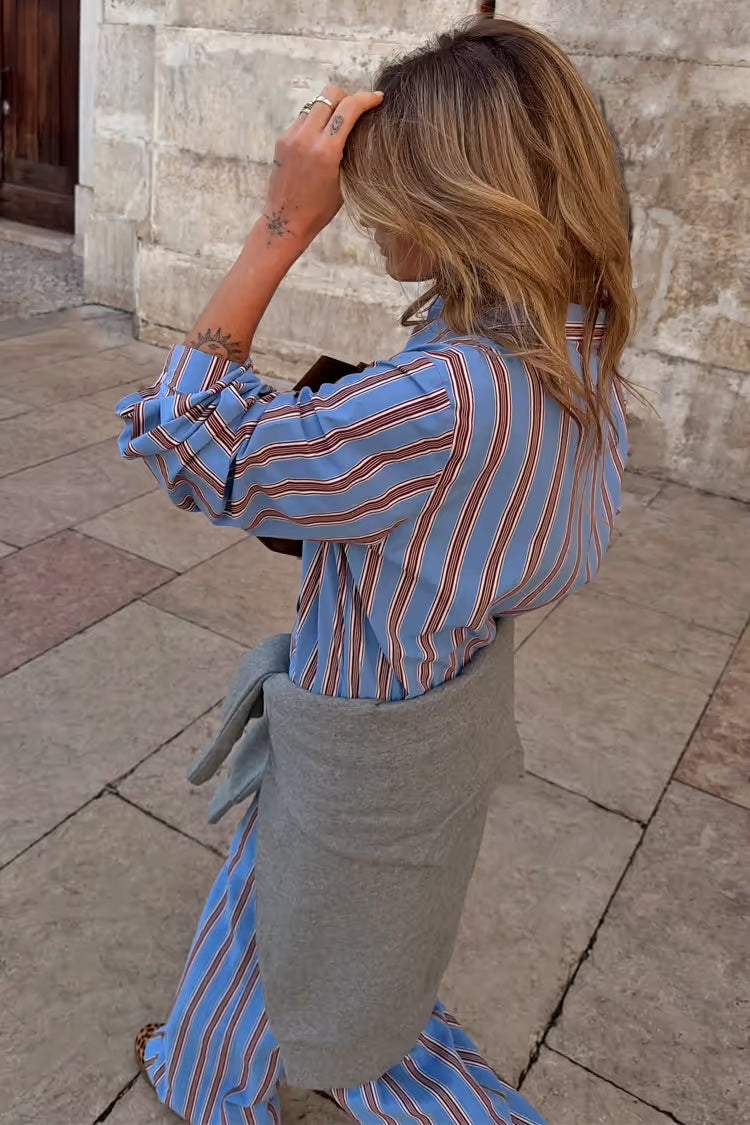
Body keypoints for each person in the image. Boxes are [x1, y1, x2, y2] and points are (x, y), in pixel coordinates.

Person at [118, 16, 633, 1125]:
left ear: (456, 202)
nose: (362, 213)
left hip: (357, 731)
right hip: (441, 715)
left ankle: (219, 1082)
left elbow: (186, 438)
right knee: (334, 935)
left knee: (292, 927)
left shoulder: (446, 398)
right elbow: (531, 528)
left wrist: (278, 225)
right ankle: (218, 1069)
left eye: (385, 187)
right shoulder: (574, 350)